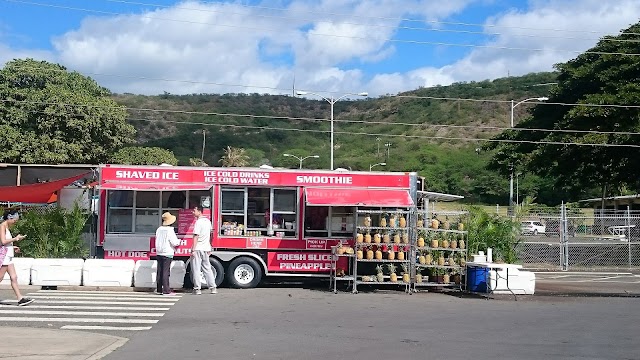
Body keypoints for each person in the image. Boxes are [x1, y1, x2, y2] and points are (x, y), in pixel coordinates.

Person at [0, 210, 34, 306]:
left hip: (9, 256)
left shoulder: (6, 227)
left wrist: (13, 246)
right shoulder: (2, 226)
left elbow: (5, 242)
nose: (15, 222)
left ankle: (20, 299)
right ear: (9, 218)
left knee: (14, 277)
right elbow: (3, 241)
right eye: (14, 220)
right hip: (5, 256)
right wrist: (16, 239)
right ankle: (20, 298)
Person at [191, 206, 217, 295]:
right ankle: (213, 287)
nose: (192, 212)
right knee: (207, 268)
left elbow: (196, 236)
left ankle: (197, 288)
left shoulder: (198, 222)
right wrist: (210, 246)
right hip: (206, 248)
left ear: (199, 211)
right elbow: (211, 235)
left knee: (196, 269)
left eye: (194, 211)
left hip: (198, 248)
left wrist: (193, 249)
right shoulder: (208, 222)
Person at [155, 212, 181, 296]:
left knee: (160, 271)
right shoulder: (170, 230)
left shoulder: (159, 229)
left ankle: (159, 289)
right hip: (167, 253)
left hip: (159, 252)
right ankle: (166, 290)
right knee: (166, 272)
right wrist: (179, 241)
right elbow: (175, 242)